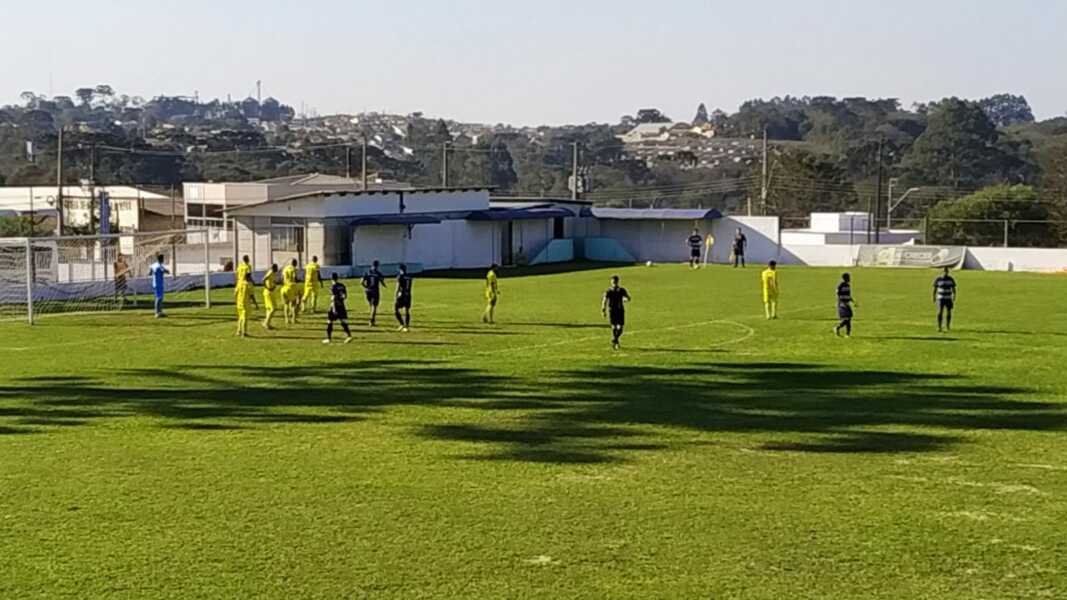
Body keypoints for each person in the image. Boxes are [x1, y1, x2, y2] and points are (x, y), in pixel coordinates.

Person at [602, 275, 632, 350]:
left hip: (617, 310)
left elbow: (627, 298)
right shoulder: (609, 291)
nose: (614, 283)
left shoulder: (621, 290)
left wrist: (603, 310)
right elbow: (605, 300)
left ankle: (614, 339)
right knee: (616, 327)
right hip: (615, 310)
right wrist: (603, 309)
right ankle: (616, 341)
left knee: (619, 327)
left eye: (614, 281)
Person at [324, 272, 353, 344]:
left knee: (329, 321)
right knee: (343, 321)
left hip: (335, 306)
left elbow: (334, 298)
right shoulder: (342, 285)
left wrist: (333, 308)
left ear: (331, 279)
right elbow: (345, 296)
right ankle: (349, 336)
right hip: (342, 305)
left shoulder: (333, 287)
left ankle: (328, 338)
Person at [361, 259, 387, 326]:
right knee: (374, 306)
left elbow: (361, 282)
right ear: (377, 265)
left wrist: (366, 287)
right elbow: (382, 281)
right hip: (375, 291)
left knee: (371, 305)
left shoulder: (367, 272)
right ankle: (371, 321)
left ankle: (371, 317)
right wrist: (384, 285)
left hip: (368, 291)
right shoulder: (378, 273)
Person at [933, 267, 958, 332]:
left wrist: (954, 296)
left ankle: (947, 326)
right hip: (940, 298)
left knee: (949, 312)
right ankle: (939, 326)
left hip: (948, 298)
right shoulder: (938, 279)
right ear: (942, 272)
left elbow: (953, 289)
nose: (945, 273)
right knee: (940, 312)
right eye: (944, 271)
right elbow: (935, 289)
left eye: (946, 271)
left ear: (948, 272)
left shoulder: (951, 279)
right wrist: (934, 296)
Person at [834, 273, 858, 337]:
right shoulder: (841, 285)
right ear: (845, 278)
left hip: (847, 303)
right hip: (842, 303)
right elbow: (837, 293)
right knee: (846, 319)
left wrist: (853, 302)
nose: (850, 278)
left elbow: (848, 295)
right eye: (848, 277)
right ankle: (837, 327)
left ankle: (847, 334)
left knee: (849, 318)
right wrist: (841, 302)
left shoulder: (848, 285)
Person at [148, 254, 170, 318]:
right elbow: (166, 271)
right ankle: (157, 313)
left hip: (155, 283)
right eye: (163, 259)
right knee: (159, 298)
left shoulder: (154, 265)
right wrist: (166, 271)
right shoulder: (159, 266)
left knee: (159, 298)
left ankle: (160, 312)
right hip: (159, 284)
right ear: (161, 259)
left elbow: (149, 273)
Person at [234, 272, 255, 338]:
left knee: (240, 317)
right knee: (245, 318)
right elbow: (252, 295)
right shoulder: (249, 284)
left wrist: (236, 300)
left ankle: (238, 331)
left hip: (239, 302)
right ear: (248, 277)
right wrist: (255, 303)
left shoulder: (239, 283)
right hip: (245, 303)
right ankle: (244, 332)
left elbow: (235, 293)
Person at [394, 263, 413, 332]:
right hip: (408, 294)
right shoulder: (409, 276)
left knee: (395, 310)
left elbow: (398, 287)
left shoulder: (400, 276)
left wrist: (396, 295)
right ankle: (406, 327)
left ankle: (402, 324)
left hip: (401, 295)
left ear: (400, 269)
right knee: (407, 310)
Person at [281, 259, 300, 325]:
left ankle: (286, 320)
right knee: (293, 304)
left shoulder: (285, 268)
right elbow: (295, 277)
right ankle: (293, 319)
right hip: (292, 287)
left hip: (284, 287)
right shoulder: (293, 269)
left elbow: (282, 278)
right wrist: (298, 280)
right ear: (295, 263)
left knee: (286, 304)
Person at [261, 264, 279, 330]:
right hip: (268, 292)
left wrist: (274, 285)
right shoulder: (270, 272)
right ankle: (266, 323)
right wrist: (267, 288)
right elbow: (263, 279)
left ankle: (267, 324)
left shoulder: (273, 273)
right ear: (274, 268)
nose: (277, 269)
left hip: (270, 292)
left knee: (268, 308)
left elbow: (272, 281)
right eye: (276, 268)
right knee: (273, 308)